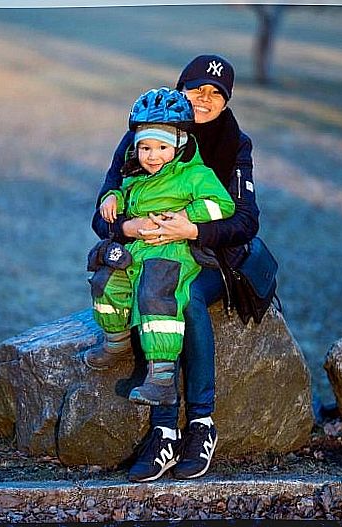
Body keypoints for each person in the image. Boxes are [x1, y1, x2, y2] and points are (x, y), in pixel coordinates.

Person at [90, 55, 260, 483]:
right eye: (197, 89)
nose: (205, 99)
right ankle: (164, 433)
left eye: (215, 94)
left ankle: (201, 423)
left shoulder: (233, 143)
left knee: (183, 299)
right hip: (150, 245)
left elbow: (245, 221)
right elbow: (104, 212)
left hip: (210, 254)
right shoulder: (146, 135)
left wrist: (192, 228)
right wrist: (129, 225)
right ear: (181, 90)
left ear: (226, 101)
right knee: (146, 287)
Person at [85, 87, 235, 408]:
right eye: (145, 147)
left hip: (171, 250)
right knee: (106, 281)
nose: (152, 156)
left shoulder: (195, 175)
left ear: (180, 144)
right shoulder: (137, 175)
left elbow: (222, 204)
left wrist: (187, 216)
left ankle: (162, 376)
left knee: (156, 295)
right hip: (139, 248)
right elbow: (126, 193)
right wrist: (114, 198)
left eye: (161, 147)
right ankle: (117, 341)